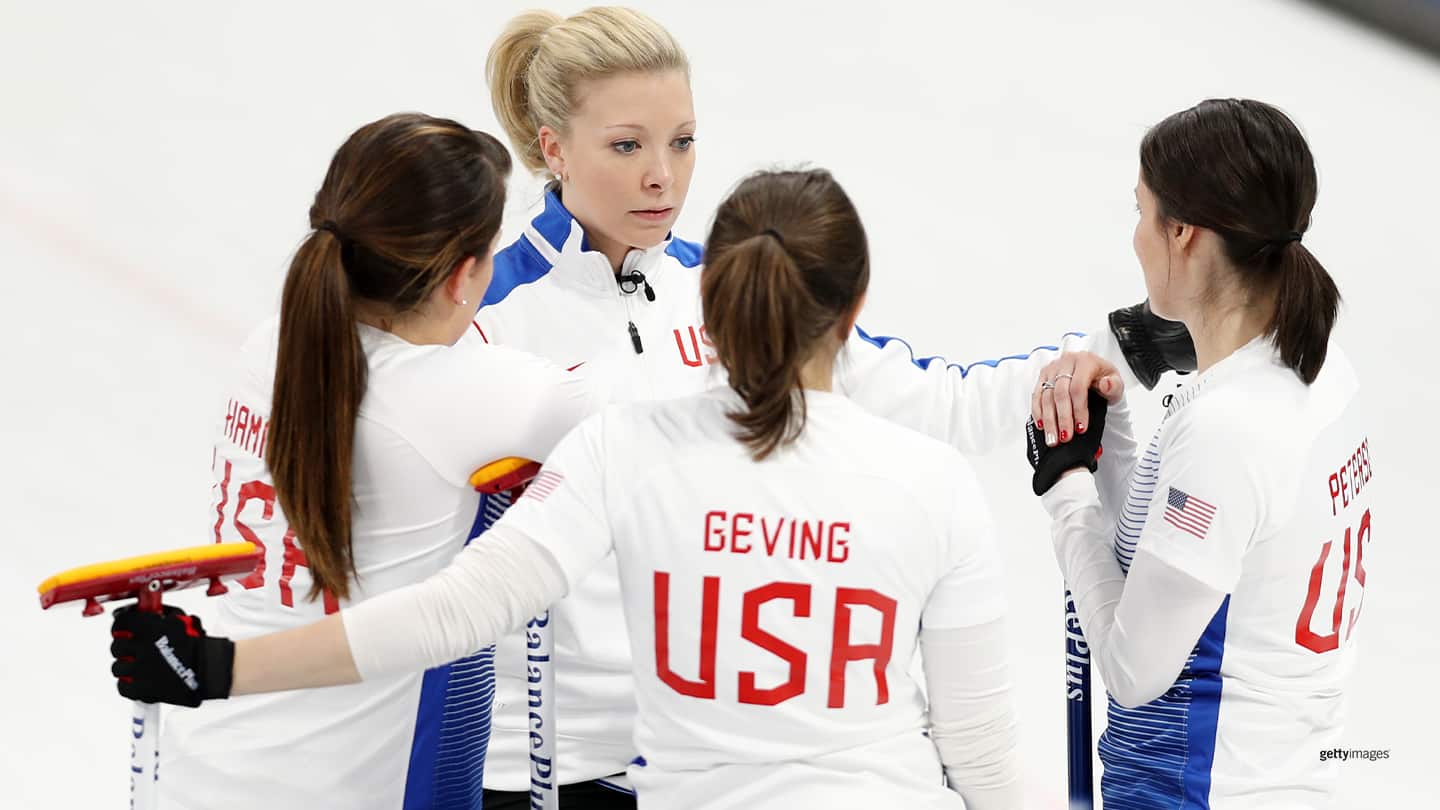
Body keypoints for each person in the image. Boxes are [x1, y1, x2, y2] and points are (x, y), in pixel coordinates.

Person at [109, 168, 1025, 810]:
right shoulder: (933, 485)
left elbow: (451, 613)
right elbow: (980, 748)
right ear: (856, 310)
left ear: (705, 305)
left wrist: (222, 668)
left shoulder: (623, 451)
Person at [474, 8, 1192, 805]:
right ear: (551, 147)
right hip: (547, 769)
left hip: (712, 759)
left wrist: (1125, 346)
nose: (662, 177)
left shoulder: (730, 285)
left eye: (681, 141)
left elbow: (941, 402)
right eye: (626, 145)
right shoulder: (486, 318)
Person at [145, 113, 605, 809]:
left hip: (198, 765)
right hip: (330, 788)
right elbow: (640, 423)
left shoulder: (272, 344)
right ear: (464, 277)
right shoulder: (468, 394)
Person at [1025, 99, 1371, 809]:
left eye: (1141, 211)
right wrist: (1113, 422)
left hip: (1196, 789)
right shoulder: (1321, 367)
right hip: (1281, 775)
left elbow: (1130, 670)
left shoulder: (1231, 432)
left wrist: (1065, 494)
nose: (1136, 237)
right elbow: (1176, 550)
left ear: (1181, 231)